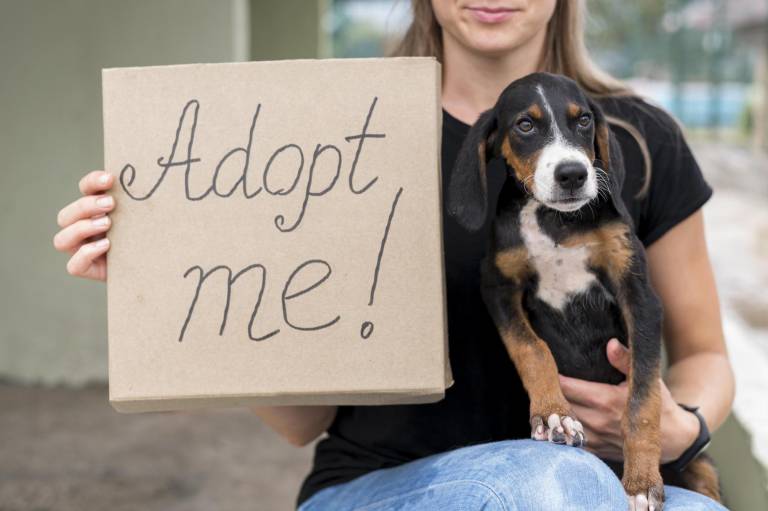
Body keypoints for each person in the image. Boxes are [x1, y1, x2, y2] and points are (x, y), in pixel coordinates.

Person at [53, 1, 734, 509]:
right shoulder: (341, 139)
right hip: (384, 484)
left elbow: (704, 351)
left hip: (611, 481)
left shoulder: (638, 140)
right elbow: (301, 422)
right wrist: (167, 274)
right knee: (554, 483)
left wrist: (681, 426)